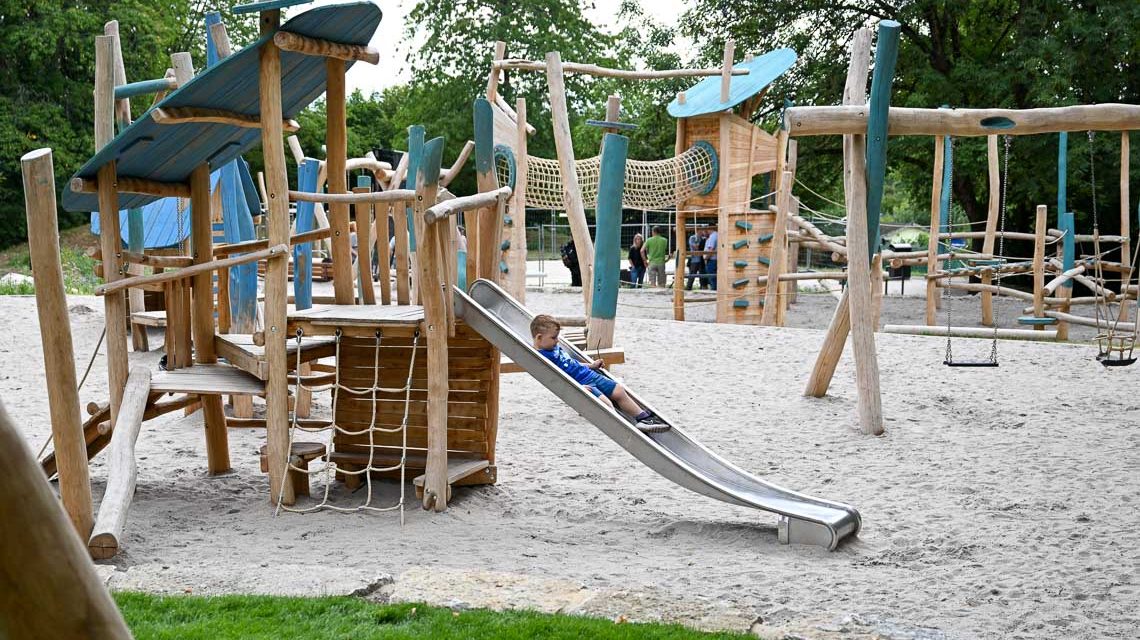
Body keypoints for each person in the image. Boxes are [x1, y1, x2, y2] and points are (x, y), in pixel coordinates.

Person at [530, 314, 668, 433]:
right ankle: (622, 427)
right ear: (539, 338)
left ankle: (642, 417)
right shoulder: (542, 357)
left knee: (619, 390)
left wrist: (591, 365)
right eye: (554, 338)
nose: (557, 340)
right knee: (606, 403)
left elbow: (573, 363)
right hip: (582, 383)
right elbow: (556, 378)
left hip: (589, 373)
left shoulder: (554, 348)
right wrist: (577, 388)